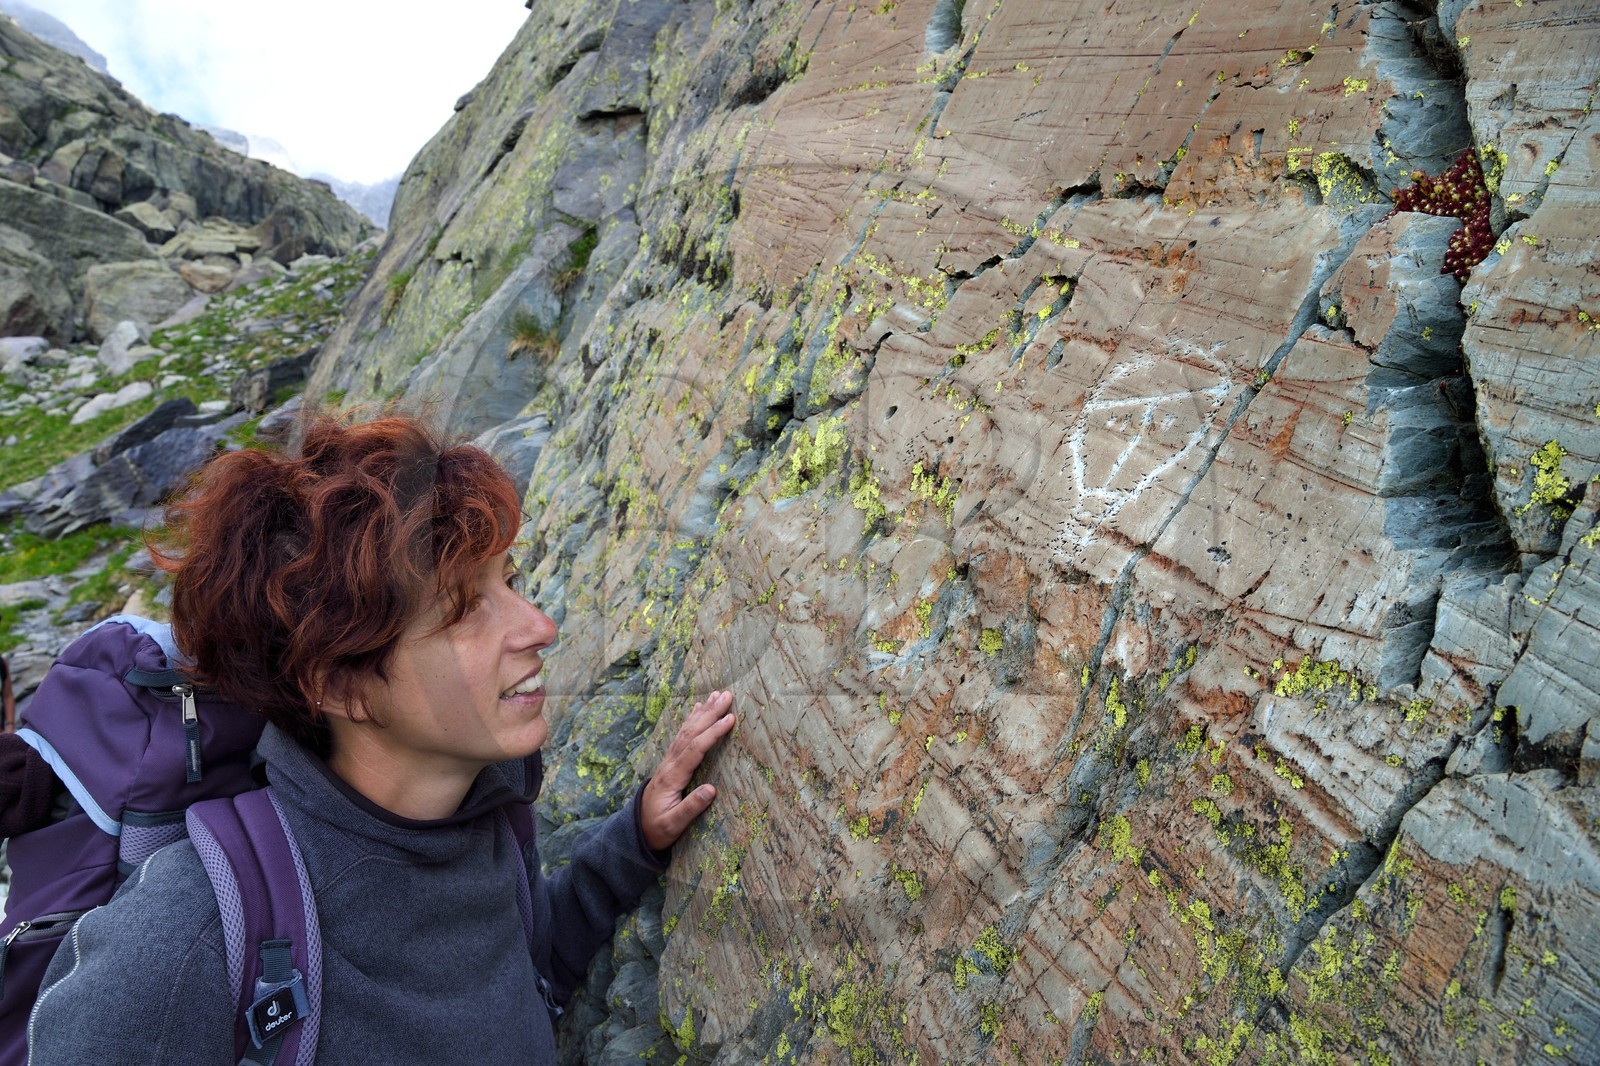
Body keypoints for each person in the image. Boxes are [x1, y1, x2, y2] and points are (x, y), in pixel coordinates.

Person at [26, 412, 735, 1064]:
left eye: (510, 582)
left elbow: (519, 977)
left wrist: (633, 843)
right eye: (463, 610)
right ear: (340, 686)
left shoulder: (483, 810)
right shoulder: (188, 936)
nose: (539, 627)